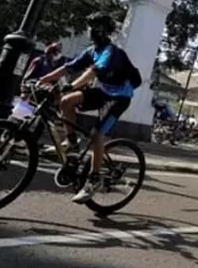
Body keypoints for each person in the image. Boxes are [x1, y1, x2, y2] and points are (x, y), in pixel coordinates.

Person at [37, 12, 141, 203]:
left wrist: (71, 85)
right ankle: (72, 143)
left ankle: (93, 180)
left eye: (93, 28)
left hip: (119, 98)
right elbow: (69, 67)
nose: (90, 31)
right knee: (66, 101)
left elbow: (93, 72)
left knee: (97, 135)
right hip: (102, 92)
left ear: (100, 31)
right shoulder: (92, 50)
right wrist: (43, 79)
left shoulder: (111, 52)